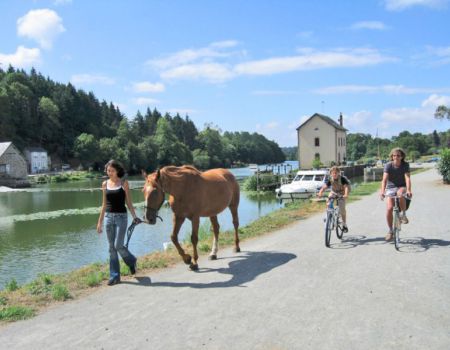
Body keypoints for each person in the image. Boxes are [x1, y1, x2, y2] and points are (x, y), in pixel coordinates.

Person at [97, 160, 140, 285]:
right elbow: (104, 204)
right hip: (108, 217)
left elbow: (129, 203)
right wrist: (99, 222)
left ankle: (131, 261)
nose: (109, 173)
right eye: (108, 170)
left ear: (117, 171)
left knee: (118, 245)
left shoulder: (124, 183)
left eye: (112, 171)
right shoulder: (105, 184)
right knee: (111, 248)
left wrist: (135, 217)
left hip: (122, 217)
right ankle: (115, 276)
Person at [380, 147, 412, 241]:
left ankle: (403, 215)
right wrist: (382, 191)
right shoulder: (388, 165)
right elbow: (384, 180)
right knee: (389, 208)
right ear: (392, 156)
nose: (396, 157)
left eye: (398, 155)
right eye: (394, 155)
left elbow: (407, 178)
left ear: (402, 157)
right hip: (390, 187)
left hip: (401, 186)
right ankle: (390, 231)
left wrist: (409, 190)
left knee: (400, 194)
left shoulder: (405, 165)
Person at [317, 166, 350, 233]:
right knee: (328, 200)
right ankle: (328, 214)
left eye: (336, 173)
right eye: (333, 173)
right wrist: (320, 193)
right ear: (331, 174)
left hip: (341, 193)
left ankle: (344, 224)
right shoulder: (331, 179)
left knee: (342, 210)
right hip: (334, 192)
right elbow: (324, 187)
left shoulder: (342, 179)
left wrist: (346, 194)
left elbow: (346, 187)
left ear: (338, 173)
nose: (334, 174)